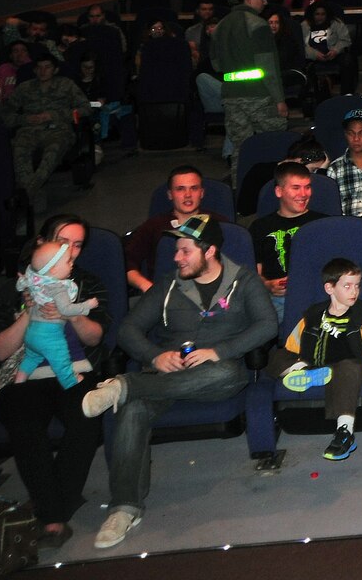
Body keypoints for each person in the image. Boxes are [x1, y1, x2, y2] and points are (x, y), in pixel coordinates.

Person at [80, 214, 276, 548]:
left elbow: (267, 325)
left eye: (185, 250)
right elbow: (128, 329)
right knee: (133, 411)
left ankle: (126, 385)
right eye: (177, 250)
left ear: (209, 251)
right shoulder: (169, 285)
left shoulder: (243, 281)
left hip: (215, 378)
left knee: (228, 371)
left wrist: (219, 350)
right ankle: (124, 507)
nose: (176, 257)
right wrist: (155, 356)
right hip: (165, 375)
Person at [0, 216, 105, 550]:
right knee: (25, 424)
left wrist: (72, 315)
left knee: (86, 418)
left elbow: (96, 338)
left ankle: (51, 510)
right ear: (41, 243)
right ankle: (55, 515)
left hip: (74, 370)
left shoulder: (84, 283)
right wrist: (28, 315)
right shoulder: (16, 287)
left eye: (78, 244)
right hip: (24, 375)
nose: (71, 251)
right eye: (63, 241)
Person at [271, 258, 362, 461]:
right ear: (330, 288)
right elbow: (292, 344)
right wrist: (292, 361)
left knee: (349, 367)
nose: (354, 291)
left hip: (345, 366)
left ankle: (344, 431)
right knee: (274, 356)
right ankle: (301, 373)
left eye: (357, 286)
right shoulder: (312, 316)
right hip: (312, 362)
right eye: (347, 286)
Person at [213, 0, 290, 166]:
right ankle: (275, 189)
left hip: (230, 94)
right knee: (276, 144)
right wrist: (279, 99)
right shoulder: (259, 25)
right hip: (259, 95)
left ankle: (240, 189)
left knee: (241, 149)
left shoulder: (220, 26)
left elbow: (216, 65)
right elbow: (268, 67)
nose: (264, 2)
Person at [124, 166, 227, 294]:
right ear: (170, 194)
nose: (188, 195)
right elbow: (126, 264)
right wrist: (146, 286)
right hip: (164, 294)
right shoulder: (153, 226)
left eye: (194, 188)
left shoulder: (220, 224)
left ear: (202, 193)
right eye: (180, 189)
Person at [3, 53, 84, 207]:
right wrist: (24, 119)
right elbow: (5, 114)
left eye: (47, 67)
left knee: (51, 153)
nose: (43, 71)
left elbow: (84, 108)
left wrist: (54, 115)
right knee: (19, 152)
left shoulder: (66, 85)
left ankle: (26, 195)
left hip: (58, 129)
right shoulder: (24, 88)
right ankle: (34, 195)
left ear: (55, 70)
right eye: (39, 68)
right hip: (29, 130)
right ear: (34, 70)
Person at [250, 162, 324, 321]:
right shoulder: (260, 227)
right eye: (296, 188)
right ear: (279, 191)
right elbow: (255, 274)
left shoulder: (323, 223)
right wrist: (268, 285)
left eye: (307, 187)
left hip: (316, 295)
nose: (304, 194)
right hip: (276, 299)